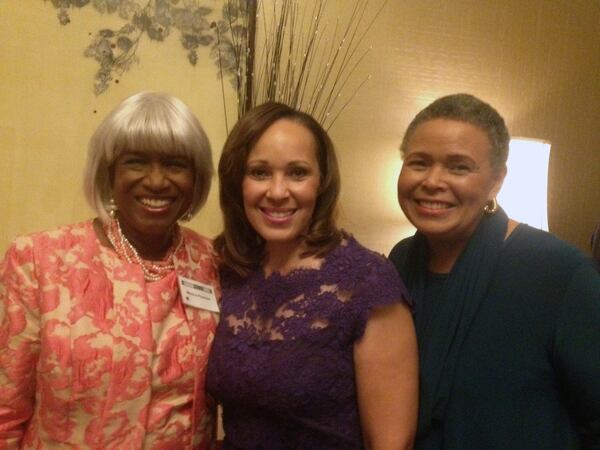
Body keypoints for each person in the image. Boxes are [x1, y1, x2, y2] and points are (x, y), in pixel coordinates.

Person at [0, 92, 220, 449]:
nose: (156, 181)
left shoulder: (212, 262)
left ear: (196, 178)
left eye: (176, 164)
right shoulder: (40, 259)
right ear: (109, 173)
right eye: (136, 162)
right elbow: (6, 408)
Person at [389, 93, 600, 449]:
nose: (433, 181)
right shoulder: (398, 262)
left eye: (459, 167)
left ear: (497, 180)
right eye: (419, 163)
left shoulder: (560, 274)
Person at [206, 102, 418, 449]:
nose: (277, 191)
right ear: (237, 182)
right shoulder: (226, 270)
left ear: (322, 182)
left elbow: (392, 442)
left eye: (297, 173)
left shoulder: (366, 282)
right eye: (259, 172)